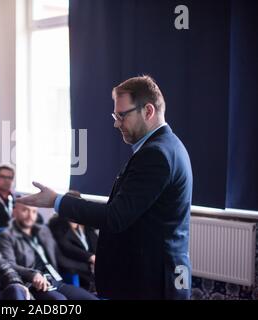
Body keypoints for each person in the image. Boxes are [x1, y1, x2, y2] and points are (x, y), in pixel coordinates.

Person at [17, 75, 193, 300]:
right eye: (115, 115)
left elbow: (116, 216)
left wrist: (56, 201)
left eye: (122, 115)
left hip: (151, 281)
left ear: (148, 111)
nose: (116, 123)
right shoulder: (167, 146)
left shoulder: (156, 154)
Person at [0, 201, 98, 300]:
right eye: (25, 210)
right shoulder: (6, 236)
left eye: (34, 212)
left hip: (55, 281)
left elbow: (59, 257)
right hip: (33, 285)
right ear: (14, 212)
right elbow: (8, 265)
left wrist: (88, 267)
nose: (30, 216)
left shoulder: (43, 231)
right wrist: (32, 274)